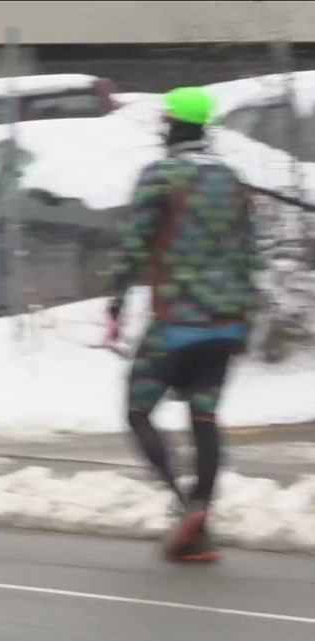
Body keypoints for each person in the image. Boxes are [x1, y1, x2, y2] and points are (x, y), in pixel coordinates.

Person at [105, 85, 262, 563]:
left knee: (138, 409)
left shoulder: (161, 176)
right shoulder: (233, 179)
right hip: (227, 325)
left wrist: (115, 304)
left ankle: (182, 505)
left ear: (171, 125)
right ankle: (200, 516)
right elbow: (251, 253)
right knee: (205, 418)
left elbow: (134, 245)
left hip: (176, 323)